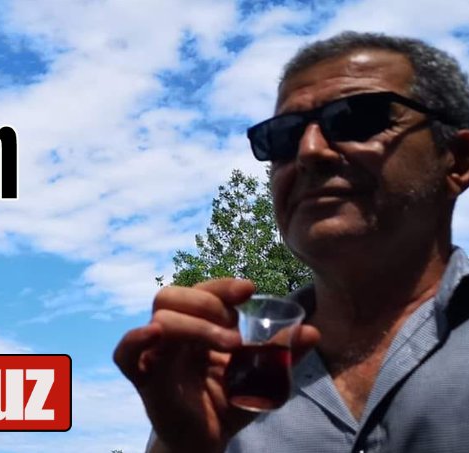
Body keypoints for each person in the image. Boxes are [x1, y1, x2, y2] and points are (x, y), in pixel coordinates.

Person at [114, 31, 469, 453]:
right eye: (282, 137)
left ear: (458, 161)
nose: (309, 150)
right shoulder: (227, 385)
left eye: (356, 118)